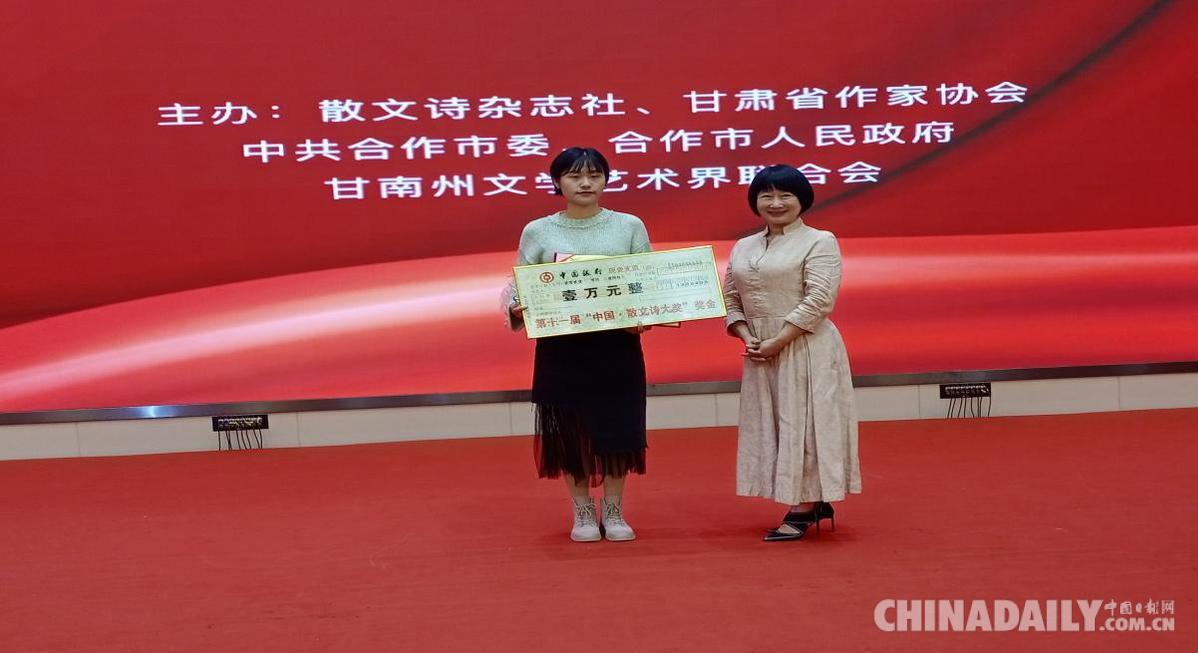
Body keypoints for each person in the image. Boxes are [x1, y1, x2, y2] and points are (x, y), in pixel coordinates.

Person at [503, 147, 651, 543]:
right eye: (574, 176)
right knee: (570, 430)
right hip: (561, 347)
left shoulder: (629, 225)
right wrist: (518, 306)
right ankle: (583, 512)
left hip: (617, 345)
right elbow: (520, 283)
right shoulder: (538, 230)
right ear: (557, 182)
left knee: (619, 426)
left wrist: (645, 314)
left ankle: (614, 512)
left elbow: (647, 281)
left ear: (606, 179)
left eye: (594, 175)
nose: (585, 183)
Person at [722, 164, 861, 542]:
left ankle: (805, 506)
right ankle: (812, 502)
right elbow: (730, 297)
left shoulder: (820, 241)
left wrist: (779, 340)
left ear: (803, 200)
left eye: (786, 195)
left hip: (805, 344)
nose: (776, 203)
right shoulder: (743, 245)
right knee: (776, 425)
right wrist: (746, 335)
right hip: (759, 350)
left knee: (807, 424)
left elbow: (819, 299)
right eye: (766, 195)